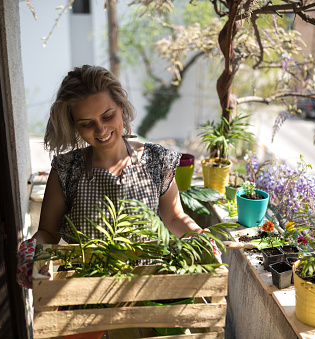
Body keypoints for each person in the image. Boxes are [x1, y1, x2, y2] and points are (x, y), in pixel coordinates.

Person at [17, 65, 214, 289]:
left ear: (121, 106)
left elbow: (174, 218)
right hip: (83, 293)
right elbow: (48, 233)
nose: (101, 130)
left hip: (148, 290)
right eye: (86, 123)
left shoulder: (156, 161)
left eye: (107, 116)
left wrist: (200, 240)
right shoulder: (67, 169)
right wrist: (33, 250)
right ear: (75, 126)